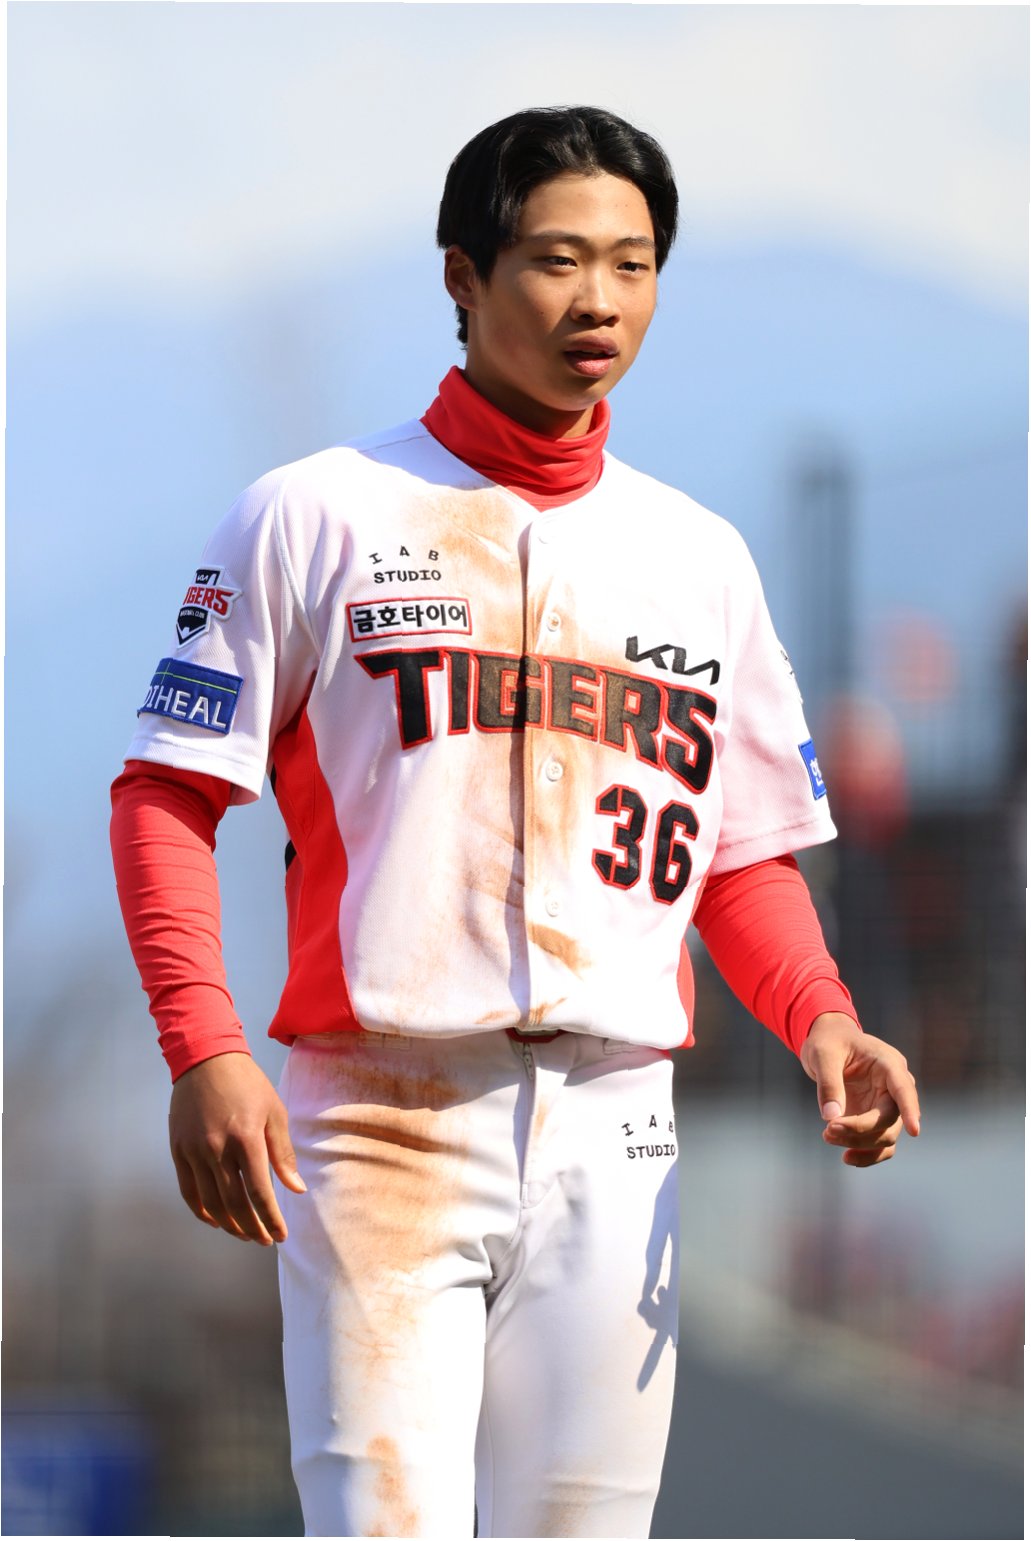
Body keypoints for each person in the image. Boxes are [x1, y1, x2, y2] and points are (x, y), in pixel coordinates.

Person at [111, 106, 921, 1540]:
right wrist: (205, 1045)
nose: (598, 299)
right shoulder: (313, 515)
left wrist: (825, 1018)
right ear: (464, 276)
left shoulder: (700, 558)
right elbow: (167, 794)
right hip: (384, 1110)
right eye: (556, 259)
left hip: (619, 1123)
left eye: (633, 263)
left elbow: (736, 856)